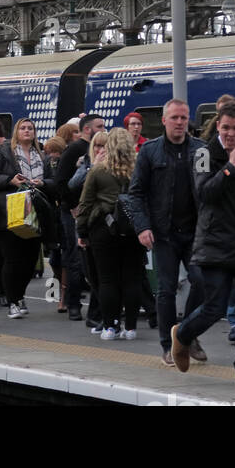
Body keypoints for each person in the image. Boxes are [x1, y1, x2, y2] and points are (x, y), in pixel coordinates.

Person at [169, 102, 235, 387]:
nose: (230, 133)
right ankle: (183, 334)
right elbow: (204, 194)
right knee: (214, 308)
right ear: (217, 126)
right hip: (215, 244)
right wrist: (230, 168)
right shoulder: (203, 154)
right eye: (225, 127)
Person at [130, 99, 208, 367]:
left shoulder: (201, 150)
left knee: (202, 282)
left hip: (195, 232)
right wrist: (142, 226)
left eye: (184, 118)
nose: (179, 122)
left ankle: (186, 333)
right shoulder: (150, 152)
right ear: (164, 120)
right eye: (174, 117)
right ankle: (167, 345)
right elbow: (136, 193)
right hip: (163, 234)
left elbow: (209, 190)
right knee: (166, 290)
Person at [77, 128, 145, 339]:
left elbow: (85, 204)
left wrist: (82, 230)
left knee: (107, 280)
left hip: (103, 230)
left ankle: (110, 326)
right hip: (134, 230)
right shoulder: (139, 170)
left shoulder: (98, 171)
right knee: (132, 279)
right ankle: (131, 328)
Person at [0, 117, 55, 319]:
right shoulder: (4, 151)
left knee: (30, 261)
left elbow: (54, 181)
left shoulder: (42, 154)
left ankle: (19, 295)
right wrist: (10, 180)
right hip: (10, 212)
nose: (27, 131)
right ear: (17, 132)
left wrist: (43, 183)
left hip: (35, 212)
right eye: (23, 128)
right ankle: (13, 301)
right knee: (12, 259)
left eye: (31, 128)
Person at [56, 113, 107, 321]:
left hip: (93, 211)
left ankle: (96, 308)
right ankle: (73, 304)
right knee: (76, 259)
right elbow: (61, 182)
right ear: (88, 129)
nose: (104, 129)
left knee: (91, 260)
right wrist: (71, 206)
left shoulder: (101, 150)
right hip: (74, 212)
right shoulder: (74, 150)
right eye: (99, 126)